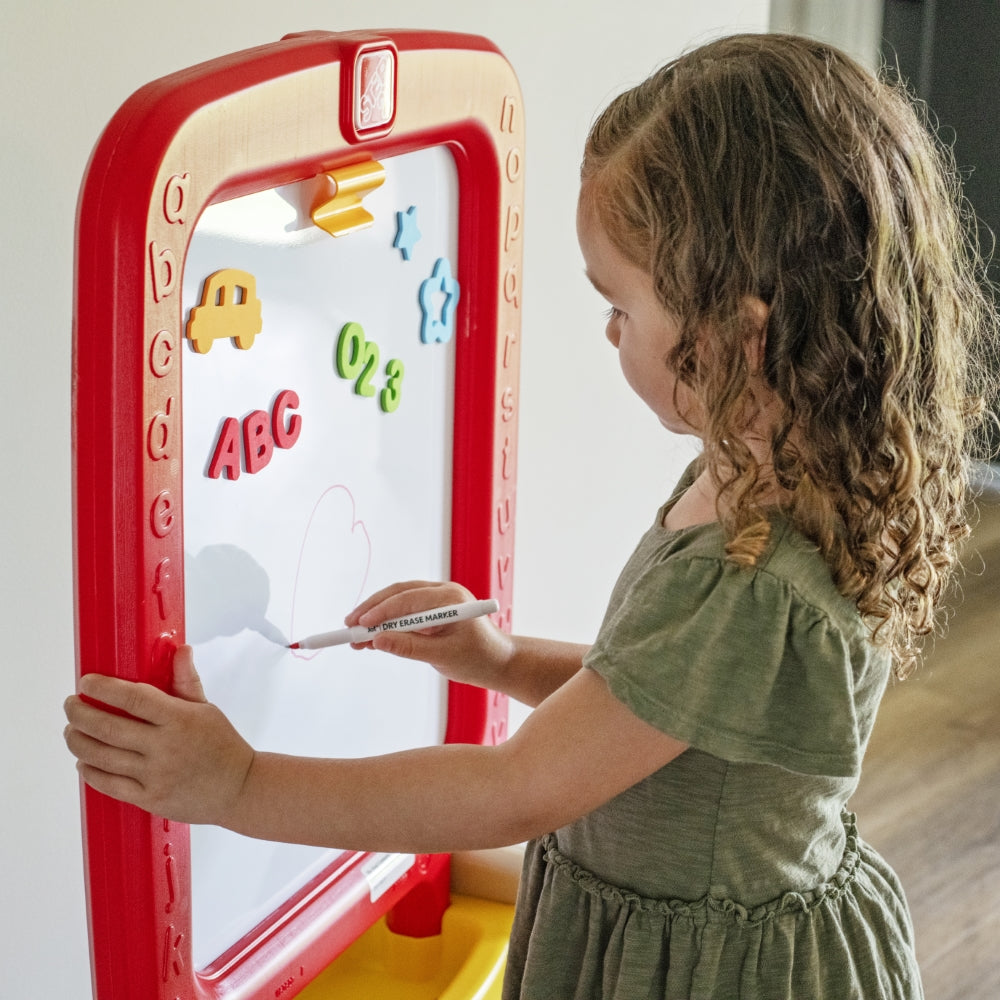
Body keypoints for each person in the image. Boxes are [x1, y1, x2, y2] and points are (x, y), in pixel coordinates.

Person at [64, 32, 996, 999]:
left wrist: (241, 784)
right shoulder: (765, 476)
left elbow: (508, 792)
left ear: (735, 340)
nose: (607, 332)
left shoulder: (753, 576)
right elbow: (651, 705)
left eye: (620, 307)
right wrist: (502, 663)